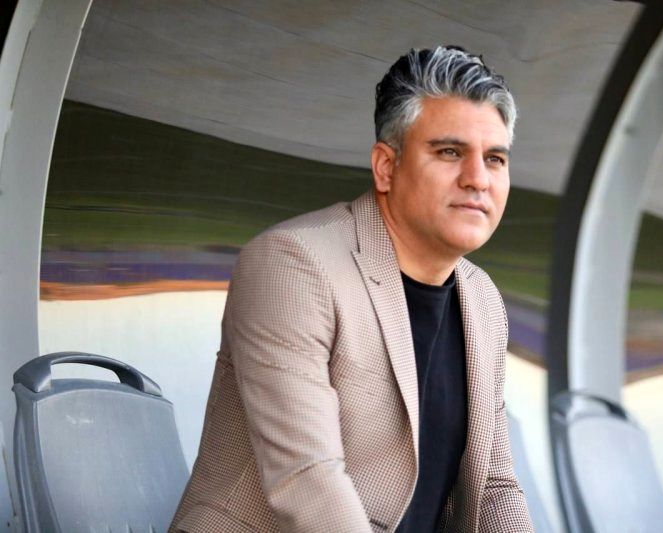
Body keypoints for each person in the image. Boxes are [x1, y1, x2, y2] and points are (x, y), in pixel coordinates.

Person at [171, 46, 533, 532]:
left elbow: (493, 486)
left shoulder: (483, 300)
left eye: (494, 159)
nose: (477, 179)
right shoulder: (294, 265)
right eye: (450, 152)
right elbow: (307, 480)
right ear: (386, 166)